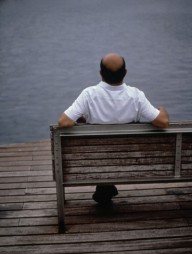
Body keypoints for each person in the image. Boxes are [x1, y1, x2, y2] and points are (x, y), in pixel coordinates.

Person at [58, 53, 169, 204]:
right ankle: (106, 188)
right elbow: (162, 122)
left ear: (100, 74)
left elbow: (63, 122)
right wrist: (162, 109)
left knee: (100, 149)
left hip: (95, 161)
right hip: (130, 161)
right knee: (118, 149)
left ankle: (105, 187)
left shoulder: (89, 94)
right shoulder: (136, 96)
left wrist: (83, 121)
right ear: (125, 73)